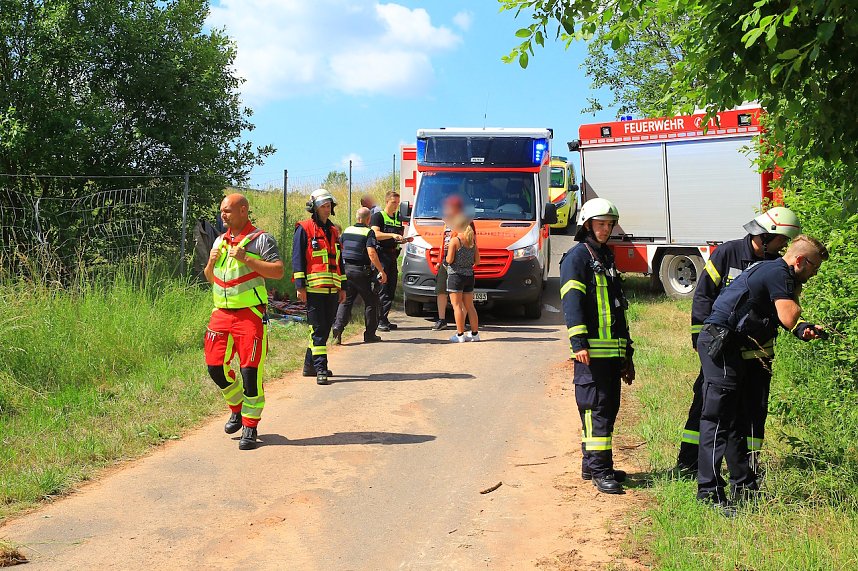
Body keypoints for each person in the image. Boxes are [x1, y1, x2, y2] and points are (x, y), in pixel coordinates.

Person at [696, 235, 828, 513]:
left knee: (737, 420)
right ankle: (708, 492)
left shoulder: (772, 270)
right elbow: (789, 317)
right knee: (717, 420)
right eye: (813, 267)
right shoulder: (778, 272)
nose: (814, 274)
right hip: (720, 343)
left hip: (732, 345)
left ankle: (743, 486)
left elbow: (787, 319)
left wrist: (805, 328)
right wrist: (801, 325)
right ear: (800, 260)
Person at [676, 207, 801, 475]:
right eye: (782, 239)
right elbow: (703, 297)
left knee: (754, 409)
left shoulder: (776, 266)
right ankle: (688, 463)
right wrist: (702, 342)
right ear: (768, 235)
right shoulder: (727, 253)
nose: (784, 246)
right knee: (707, 405)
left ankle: (748, 466)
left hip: (757, 353)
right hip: (721, 350)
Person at [560, 198, 635, 494]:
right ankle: (600, 470)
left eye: (609, 224)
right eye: (600, 224)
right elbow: (572, 301)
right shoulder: (578, 257)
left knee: (607, 408)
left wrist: (627, 354)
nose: (605, 229)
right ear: (587, 224)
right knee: (595, 409)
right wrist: (578, 342)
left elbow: (618, 308)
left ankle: (591, 464)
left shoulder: (605, 256)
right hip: (590, 351)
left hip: (611, 351)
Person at [203, 193, 284, 450]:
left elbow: (279, 271)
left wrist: (246, 258)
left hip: (249, 314)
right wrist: (210, 264)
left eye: (227, 210)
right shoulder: (219, 240)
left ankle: (250, 425)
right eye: (221, 210)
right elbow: (210, 278)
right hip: (221, 314)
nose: (222, 215)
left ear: (243, 210)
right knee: (215, 366)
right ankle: (236, 408)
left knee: (250, 371)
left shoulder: (261, 239)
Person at [292, 188, 346, 386]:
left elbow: (340, 262)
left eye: (329, 205)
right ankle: (321, 369)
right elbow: (297, 258)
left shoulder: (333, 231)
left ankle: (310, 366)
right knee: (319, 329)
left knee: (323, 329)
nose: (327, 208)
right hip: (314, 289)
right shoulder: (304, 229)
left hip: (332, 289)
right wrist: (300, 286)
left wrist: (343, 287)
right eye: (323, 205)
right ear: (314, 207)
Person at [331, 207, 388, 344]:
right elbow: (372, 253)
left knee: (346, 301)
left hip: (345, 270)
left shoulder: (347, 230)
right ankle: (370, 335)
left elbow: (339, 248)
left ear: (357, 218)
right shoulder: (368, 232)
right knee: (371, 301)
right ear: (368, 219)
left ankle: (338, 327)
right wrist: (381, 271)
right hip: (361, 271)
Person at [370, 191, 406, 332]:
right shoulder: (378, 216)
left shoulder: (397, 218)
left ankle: (384, 319)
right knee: (383, 288)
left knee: (390, 289)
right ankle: (379, 321)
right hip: (381, 256)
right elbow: (375, 235)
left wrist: (403, 239)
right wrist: (392, 234)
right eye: (393, 202)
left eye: (397, 202)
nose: (396, 205)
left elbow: (398, 236)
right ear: (386, 202)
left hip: (392, 256)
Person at [433, 195, 467, 331]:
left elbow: (471, 241)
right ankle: (441, 320)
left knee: (459, 292)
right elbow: (443, 243)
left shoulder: (465, 222)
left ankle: (461, 321)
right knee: (441, 289)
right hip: (445, 260)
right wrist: (438, 259)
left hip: (459, 260)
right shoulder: (446, 222)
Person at [446, 214, 480, 343]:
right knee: (470, 306)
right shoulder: (472, 242)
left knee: (457, 306)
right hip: (469, 275)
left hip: (456, 275)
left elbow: (449, 259)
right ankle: (475, 334)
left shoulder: (455, 241)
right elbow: (477, 261)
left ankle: (460, 335)